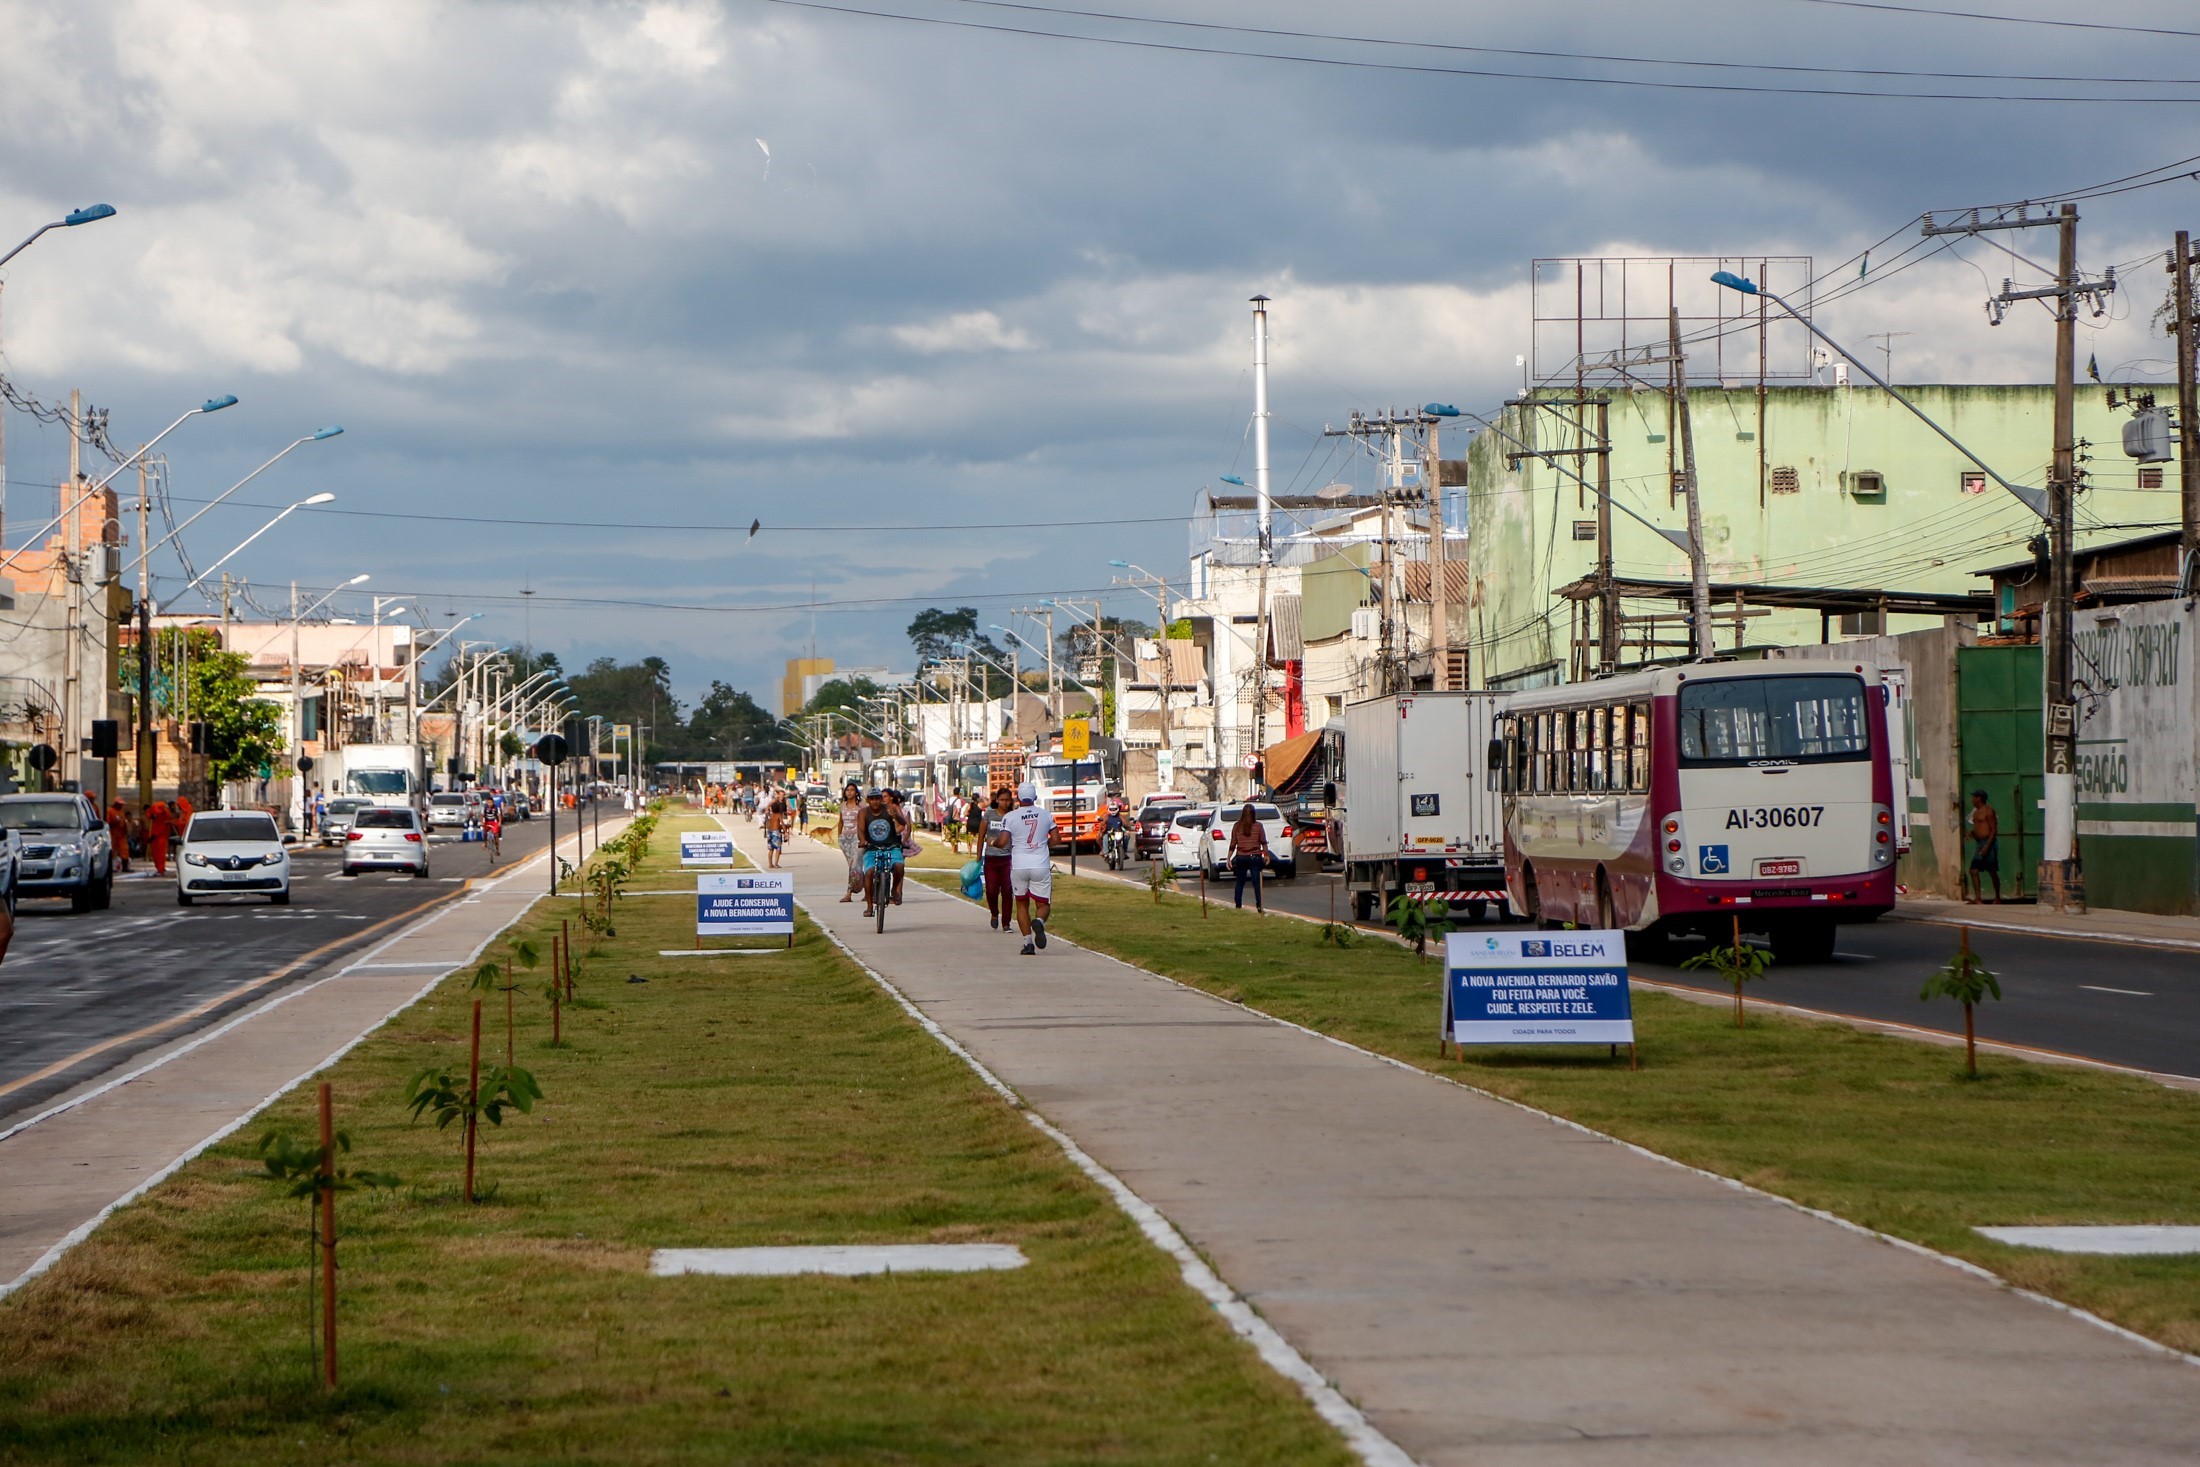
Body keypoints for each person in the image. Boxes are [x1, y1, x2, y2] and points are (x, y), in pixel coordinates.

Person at [994, 781, 1057, 957]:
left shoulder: (1011, 817)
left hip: (1019, 865)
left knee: (1022, 903)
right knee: (1043, 903)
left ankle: (1028, 943)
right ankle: (1039, 921)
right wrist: (1045, 845)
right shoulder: (1046, 815)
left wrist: (992, 842)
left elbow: (1003, 841)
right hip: (1040, 864)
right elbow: (1057, 839)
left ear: (1018, 798)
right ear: (1035, 797)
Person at [857, 789, 904, 917]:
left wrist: (896, 816)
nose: (875, 802)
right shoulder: (863, 812)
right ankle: (869, 906)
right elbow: (860, 829)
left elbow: (903, 822)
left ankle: (894, 889)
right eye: (872, 799)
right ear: (868, 800)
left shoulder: (889, 808)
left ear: (881, 799)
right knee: (869, 872)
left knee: (899, 866)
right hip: (872, 847)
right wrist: (863, 841)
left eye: (877, 798)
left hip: (891, 846)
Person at [1227, 804, 1272, 912]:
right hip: (1254, 857)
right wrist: (1266, 855)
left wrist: (1228, 858)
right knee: (1256, 883)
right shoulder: (1258, 826)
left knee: (1240, 882)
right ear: (1254, 814)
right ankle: (1259, 905)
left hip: (1241, 857)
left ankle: (1238, 905)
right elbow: (1263, 842)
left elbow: (1233, 844)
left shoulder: (1237, 826)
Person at [1965, 789, 2001, 904]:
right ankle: (1978, 898)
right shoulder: (1975, 812)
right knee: (1973, 870)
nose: (1972, 800)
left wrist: (1987, 847)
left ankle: (1997, 897)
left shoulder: (1989, 811)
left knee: (1992, 870)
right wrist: (1972, 833)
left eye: (1974, 797)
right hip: (1979, 843)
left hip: (1988, 843)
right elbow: (1978, 828)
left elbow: (1994, 830)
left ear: (1979, 798)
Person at [836, 781, 864, 903]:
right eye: (847, 790)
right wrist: (839, 836)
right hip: (845, 839)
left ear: (856, 792)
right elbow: (840, 822)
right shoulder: (843, 805)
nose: (849, 792)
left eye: (852, 790)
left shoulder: (861, 806)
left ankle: (849, 893)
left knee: (854, 866)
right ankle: (867, 888)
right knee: (853, 867)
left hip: (857, 838)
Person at [145, 798, 174, 877]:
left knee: (160, 854)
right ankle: (159, 868)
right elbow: (149, 814)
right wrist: (151, 815)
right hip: (156, 837)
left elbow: (161, 827)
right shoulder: (156, 811)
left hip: (159, 837)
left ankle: (160, 869)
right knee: (156, 854)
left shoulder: (164, 814)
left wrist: (153, 836)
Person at [764, 791, 790, 869]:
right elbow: (782, 824)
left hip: (770, 832)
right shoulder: (778, 815)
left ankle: (770, 864)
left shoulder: (771, 815)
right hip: (776, 832)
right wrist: (785, 832)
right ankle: (776, 863)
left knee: (771, 849)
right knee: (778, 849)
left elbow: (767, 824)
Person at [106, 799, 131, 873]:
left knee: (125, 850)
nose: (121, 806)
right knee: (112, 851)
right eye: (120, 804)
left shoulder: (120, 811)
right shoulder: (110, 811)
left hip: (121, 835)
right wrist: (115, 823)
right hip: (113, 835)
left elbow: (123, 822)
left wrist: (126, 832)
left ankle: (125, 867)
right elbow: (107, 823)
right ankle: (110, 867)